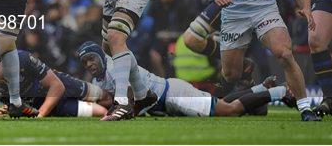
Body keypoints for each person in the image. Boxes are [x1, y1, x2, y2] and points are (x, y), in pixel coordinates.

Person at [77, 41, 296, 118]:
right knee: (224, 105)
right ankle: (260, 88)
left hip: (173, 95)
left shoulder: (116, 67)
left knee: (230, 111)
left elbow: (131, 101)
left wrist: (118, 111)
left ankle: (281, 92)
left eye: (91, 59)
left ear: (100, 56)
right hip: (169, 97)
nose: (89, 65)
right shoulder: (98, 81)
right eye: (85, 62)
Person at [0, 50, 110, 118]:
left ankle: (124, 103)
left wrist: (40, 114)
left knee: (104, 97)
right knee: (100, 111)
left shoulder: (22, 59)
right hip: (44, 102)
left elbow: (57, 86)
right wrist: (3, 110)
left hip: (60, 85)